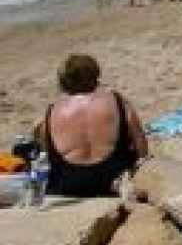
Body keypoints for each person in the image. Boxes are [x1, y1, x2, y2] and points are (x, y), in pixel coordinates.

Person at [33, 54, 149, 197]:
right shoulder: (117, 101)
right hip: (113, 176)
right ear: (95, 76)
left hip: (70, 184)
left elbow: (48, 154)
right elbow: (140, 143)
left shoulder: (51, 112)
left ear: (63, 82)